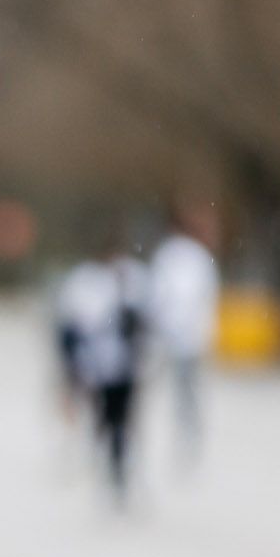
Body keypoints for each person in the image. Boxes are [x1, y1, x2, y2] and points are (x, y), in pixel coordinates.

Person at [54, 228, 148, 509]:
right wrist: (72, 366)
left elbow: (143, 324)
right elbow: (72, 328)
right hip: (97, 366)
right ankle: (103, 461)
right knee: (104, 417)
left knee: (122, 419)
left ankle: (119, 469)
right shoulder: (85, 283)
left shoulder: (133, 281)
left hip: (125, 365)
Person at [147, 199, 222, 468]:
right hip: (190, 336)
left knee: (177, 390)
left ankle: (182, 438)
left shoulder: (169, 256)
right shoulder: (198, 257)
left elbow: (158, 296)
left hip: (174, 335)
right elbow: (207, 298)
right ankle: (188, 436)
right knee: (187, 390)